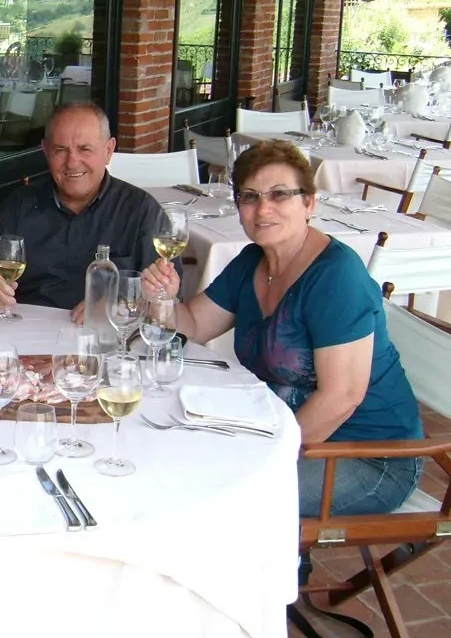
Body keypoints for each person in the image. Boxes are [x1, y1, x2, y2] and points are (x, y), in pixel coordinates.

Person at [141, 140, 422, 517]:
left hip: (367, 456)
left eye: (280, 195)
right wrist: (163, 297)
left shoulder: (337, 276)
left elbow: (342, 398)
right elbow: (193, 325)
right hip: (279, 431)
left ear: (309, 203)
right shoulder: (251, 261)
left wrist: (266, 456)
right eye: (250, 197)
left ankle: (271, 569)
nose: (263, 209)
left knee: (217, 497)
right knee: (169, 453)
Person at [0, 102, 170, 317]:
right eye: (60, 150)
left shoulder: (141, 211)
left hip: (107, 338)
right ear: (45, 151)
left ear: (108, 151)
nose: (72, 163)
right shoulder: (20, 205)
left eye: (85, 149)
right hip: (27, 333)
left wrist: (121, 305)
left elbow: (166, 298)